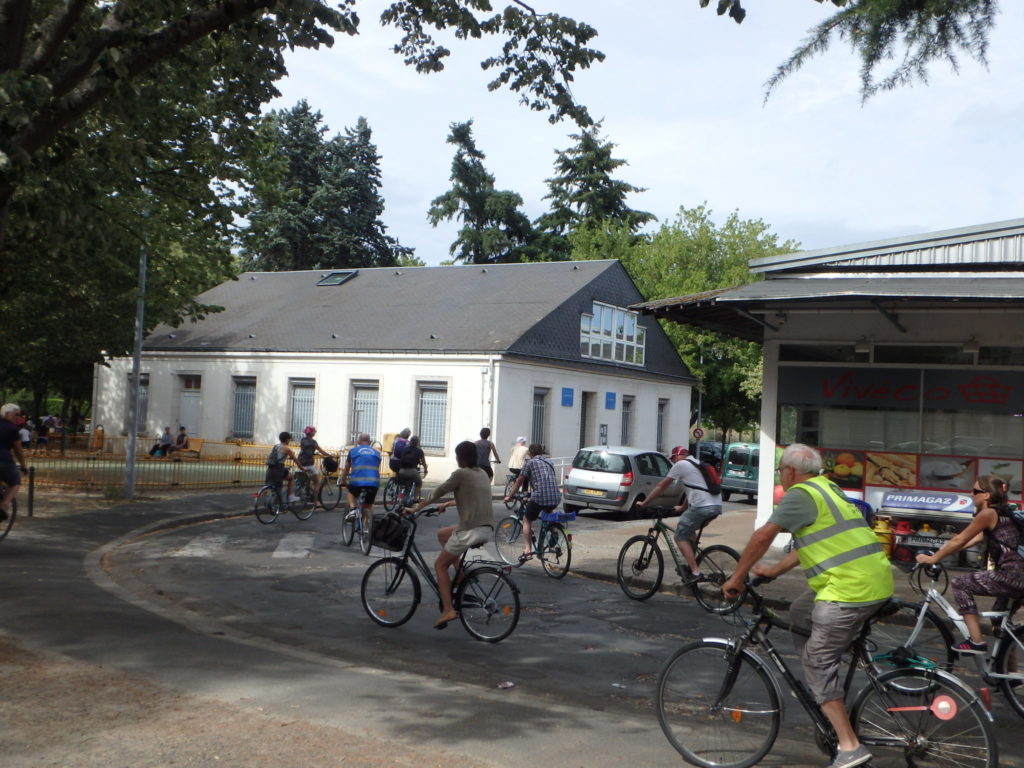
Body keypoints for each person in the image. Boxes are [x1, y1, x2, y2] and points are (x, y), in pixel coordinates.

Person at [722, 443, 893, 768]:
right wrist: (772, 571)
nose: (780, 477)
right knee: (800, 612)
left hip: (849, 589)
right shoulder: (828, 488)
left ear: (790, 471)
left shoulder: (800, 495)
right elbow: (810, 542)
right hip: (871, 580)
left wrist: (736, 578)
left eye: (779, 471)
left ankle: (849, 746)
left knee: (817, 662)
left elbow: (762, 537)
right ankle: (825, 690)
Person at [916, 474, 1024, 654]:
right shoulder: (1006, 514)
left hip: (1011, 576)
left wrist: (933, 559)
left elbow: (958, 540)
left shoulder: (988, 513)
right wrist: (941, 553)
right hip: (1019, 577)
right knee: (1001, 625)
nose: (971, 494)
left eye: (975, 491)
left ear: (986, 495)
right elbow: (973, 540)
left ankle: (976, 641)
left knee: (960, 583)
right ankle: (1007, 676)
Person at [408, 440, 494, 629]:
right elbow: (472, 496)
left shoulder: (460, 474)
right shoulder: (481, 473)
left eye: (457, 456)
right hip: (486, 528)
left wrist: (415, 509)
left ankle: (448, 610)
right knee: (443, 534)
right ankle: (461, 576)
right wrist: (447, 504)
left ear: (461, 458)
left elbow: (438, 491)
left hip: (470, 530)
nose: (456, 459)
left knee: (439, 565)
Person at [636, 445, 723, 583]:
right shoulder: (697, 464)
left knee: (679, 536)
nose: (673, 462)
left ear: (677, 456)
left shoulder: (681, 465)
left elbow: (661, 486)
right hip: (715, 506)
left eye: (673, 459)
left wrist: (645, 503)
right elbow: (695, 489)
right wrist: (682, 507)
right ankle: (691, 565)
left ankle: (695, 572)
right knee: (689, 532)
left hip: (701, 507)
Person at [503, 443, 561, 561]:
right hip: (555, 495)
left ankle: (528, 550)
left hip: (540, 495)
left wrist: (510, 496)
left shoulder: (529, 463)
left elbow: (519, 480)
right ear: (541, 452)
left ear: (530, 453)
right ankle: (554, 531)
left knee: (526, 519)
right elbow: (546, 479)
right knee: (548, 514)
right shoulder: (549, 462)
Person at [341, 433, 381, 529]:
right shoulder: (377, 453)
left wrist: (343, 480)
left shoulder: (353, 451)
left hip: (357, 481)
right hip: (373, 483)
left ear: (358, 442)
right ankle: (367, 528)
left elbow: (347, 467)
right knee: (368, 506)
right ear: (370, 442)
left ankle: (353, 509)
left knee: (350, 493)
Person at [0, 403, 29, 520]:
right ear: (7, 414)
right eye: (16, 415)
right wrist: (23, 465)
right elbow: (18, 451)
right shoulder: (12, 428)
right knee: (15, 482)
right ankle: (4, 505)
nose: (18, 418)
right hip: (4, 460)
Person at [297, 426, 332, 502]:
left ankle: (306, 491)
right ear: (311, 433)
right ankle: (316, 502)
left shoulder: (302, 440)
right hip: (309, 464)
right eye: (314, 431)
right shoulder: (313, 442)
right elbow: (321, 451)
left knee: (306, 480)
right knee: (317, 483)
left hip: (300, 462)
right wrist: (330, 455)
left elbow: (306, 450)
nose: (315, 432)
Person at [266, 432, 301, 502]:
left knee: (275, 488)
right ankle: (291, 496)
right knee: (291, 478)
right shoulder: (286, 449)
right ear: (287, 439)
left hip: (270, 469)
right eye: (289, 439)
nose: (289, 441)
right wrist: (302, 467)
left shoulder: (276, 446)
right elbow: (294, 459)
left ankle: (274, 503)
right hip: (279, 469)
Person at [395, 435, 427, 502]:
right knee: (419, 483)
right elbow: (424, 463)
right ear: (418, 443)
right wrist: (425, 470)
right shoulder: (419, 451)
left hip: (402, 470)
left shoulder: (404, 449)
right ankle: (415, 499)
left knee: (401, 486)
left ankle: (400, 499)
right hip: (413, 471)